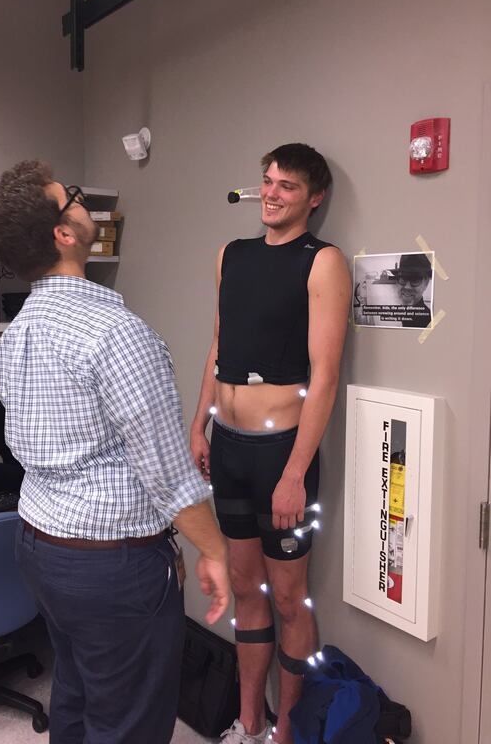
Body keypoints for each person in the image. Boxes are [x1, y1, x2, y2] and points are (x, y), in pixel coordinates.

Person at [0, 160, 230, 744]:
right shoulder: (115, 334)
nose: (83, 202)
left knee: (78, 692)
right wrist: (212, 548)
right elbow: (167, 468)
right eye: (72, 198)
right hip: (110, 567)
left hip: (40, 548)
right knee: (129, 723)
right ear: (64, 234)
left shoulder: (16, 333)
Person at [190, 144, 351, 744]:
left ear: (315, 197)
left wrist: (294, 472)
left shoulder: (323, 261)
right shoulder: (232, 255)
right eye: (267, 181)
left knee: (287, 599)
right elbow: (217, 342)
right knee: (246, 588)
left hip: (282, 454)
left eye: (287, 185)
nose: (272, 193)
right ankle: (248, 722)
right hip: (228, 448)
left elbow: (325, 375)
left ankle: (285, 730)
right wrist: (197, 424)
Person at [390, 253, 432, 328]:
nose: (407, 287)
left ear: (426, 283)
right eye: (403, 278)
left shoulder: (429, 322)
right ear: (397, 281)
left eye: (415, 279)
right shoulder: (392, 314)